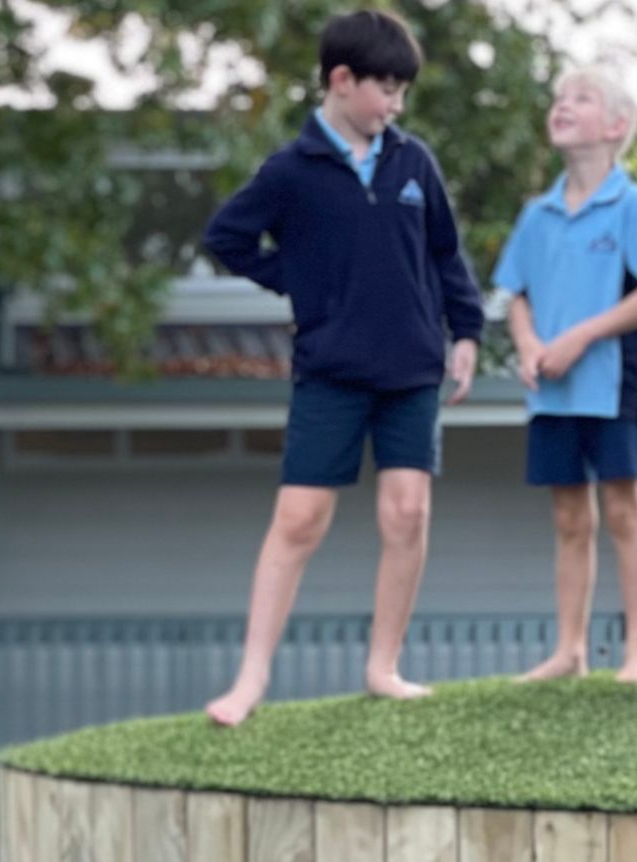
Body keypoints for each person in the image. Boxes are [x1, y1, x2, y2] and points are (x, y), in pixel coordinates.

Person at [199, 7, 485, 727]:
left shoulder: (414, 162)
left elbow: (446, 255)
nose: (395, 105)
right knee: (299, 519)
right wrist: (297, 281)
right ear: (341, 80)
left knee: (408, 511)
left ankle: (383, 667)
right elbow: (227, 237)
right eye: (385, 89)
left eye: (402, 94)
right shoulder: (290, 171)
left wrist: (468, 332)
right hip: (330, 370)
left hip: (413, 368)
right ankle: (250, 680)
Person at [495, 65, 637, 685]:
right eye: (560, 97)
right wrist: (530, 343)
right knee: (570, 518)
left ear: (616, 126)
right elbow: (515, 293)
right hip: (552, 395)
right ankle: (569, 650)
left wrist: (579, 337)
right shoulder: (536, 215)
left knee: (623, 510)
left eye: (582, 98)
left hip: (613, 386)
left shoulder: (634, 206)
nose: (563, 105)